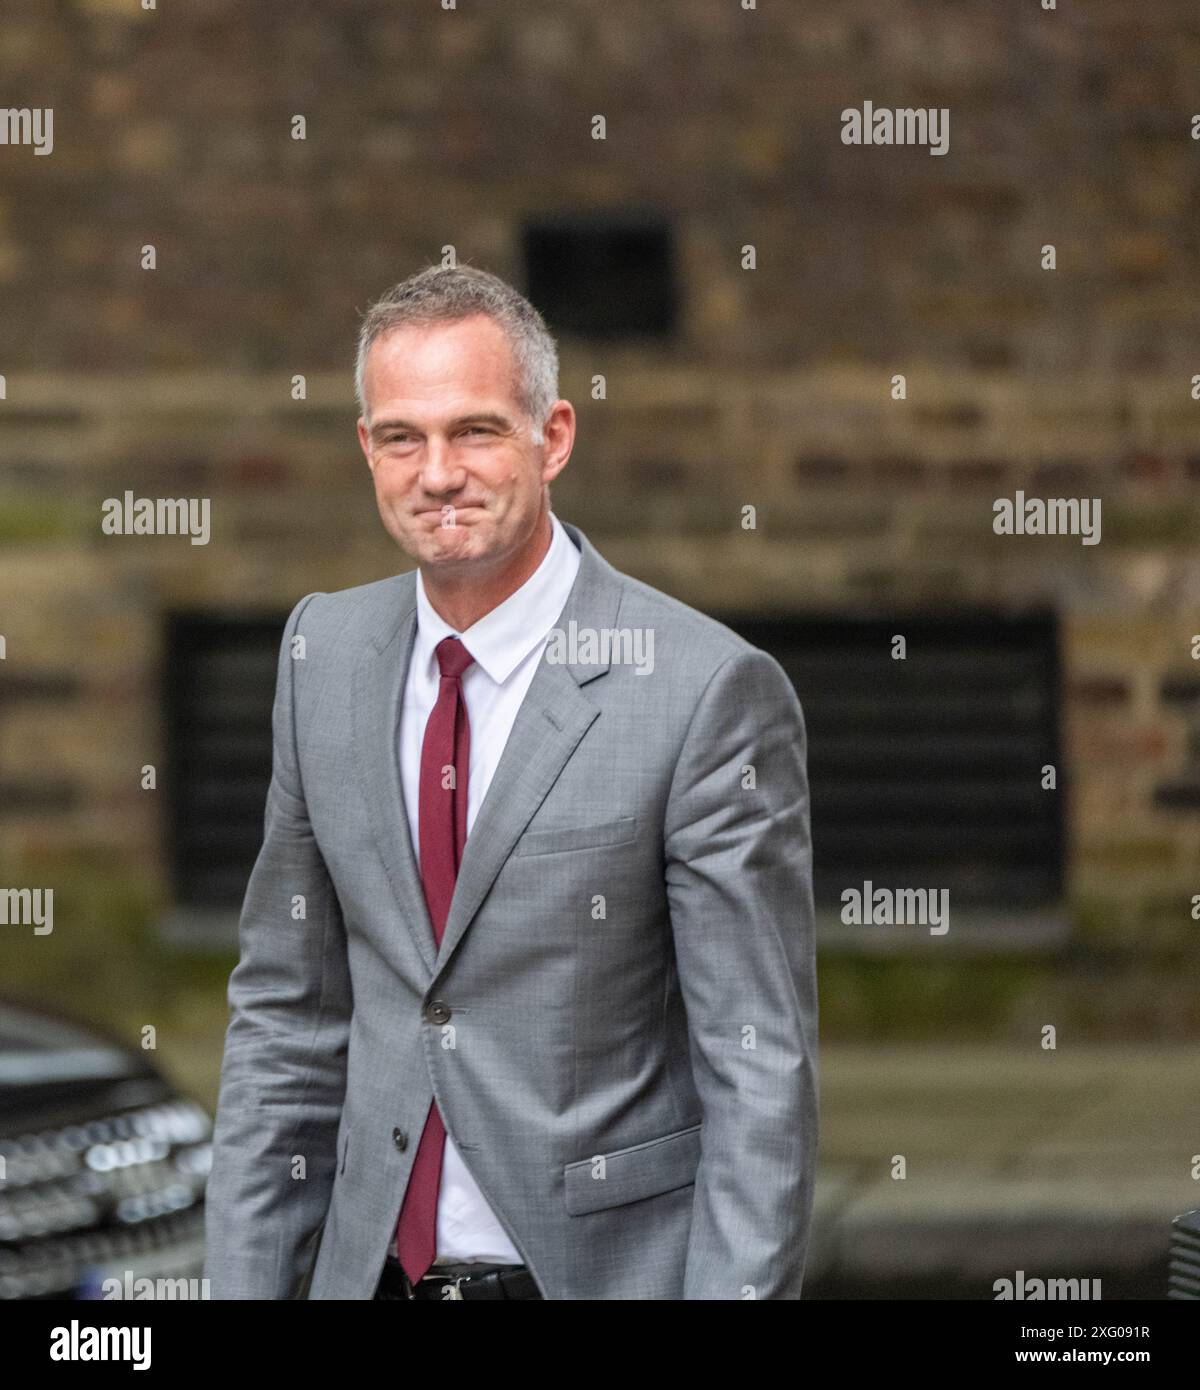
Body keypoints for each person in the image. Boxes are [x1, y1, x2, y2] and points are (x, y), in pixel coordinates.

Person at [203, 264, 819, 1300]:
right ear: (367, 449)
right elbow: (285, 1024)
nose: (438, 473)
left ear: (555, 436)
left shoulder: (703, 689)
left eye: (477, 431)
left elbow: (757, 1071)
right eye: (403, 437)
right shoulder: (323, 654)